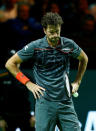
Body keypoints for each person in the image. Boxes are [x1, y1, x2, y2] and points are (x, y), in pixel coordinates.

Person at [5, 12, 88, 131]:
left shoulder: (69, 44)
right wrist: (28, 83)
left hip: (65, 102)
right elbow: (10, 64)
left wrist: (77, 82)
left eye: (57, 31)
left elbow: (84, 58)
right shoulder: (35, 46)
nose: (55, 35)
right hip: (45, 103)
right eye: (51, 32)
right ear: (44, 30)